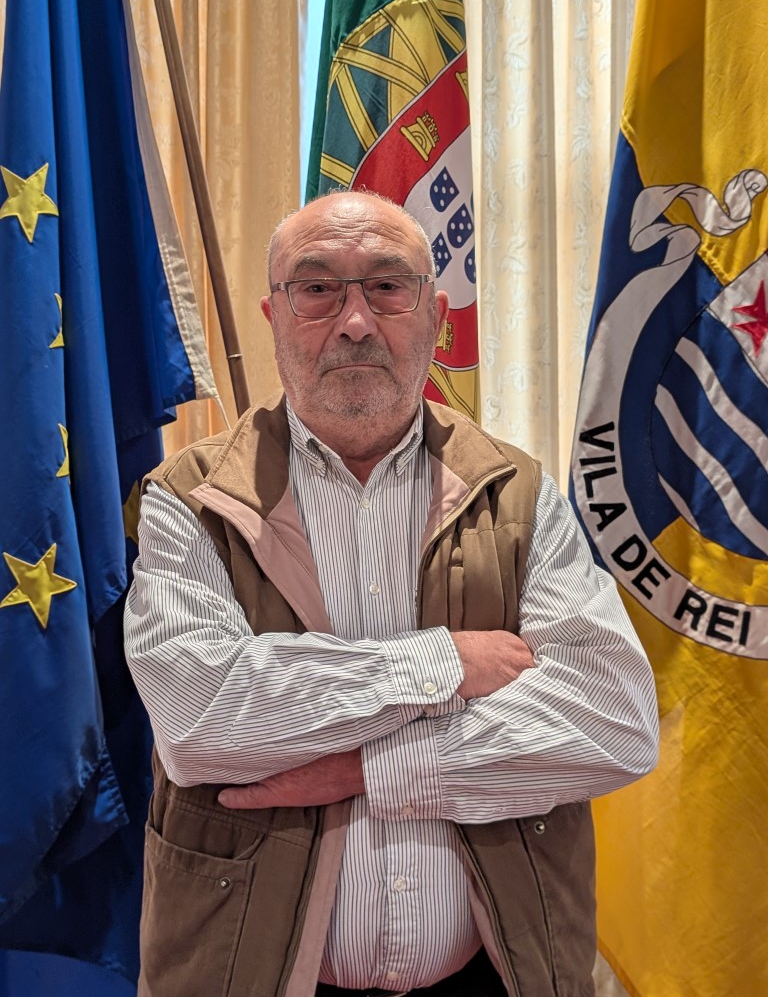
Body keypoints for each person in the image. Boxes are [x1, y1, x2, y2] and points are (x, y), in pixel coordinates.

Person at [124, 190, 658, 997]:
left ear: (436, 318)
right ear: (274, 317)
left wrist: (364, 769)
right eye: (317, 289)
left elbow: (615, 718)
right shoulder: (190, 498)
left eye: (386, 286)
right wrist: (445, 664)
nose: (354, 322)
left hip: (494, 975)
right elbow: (201, 721)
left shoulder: (518, 491)